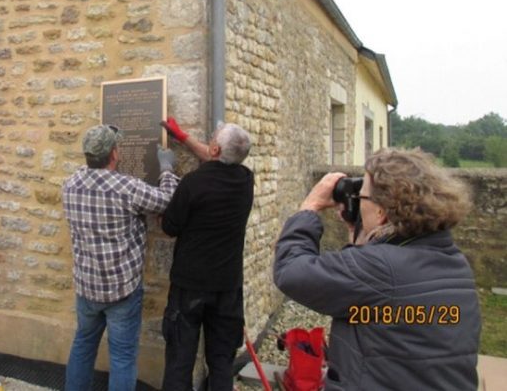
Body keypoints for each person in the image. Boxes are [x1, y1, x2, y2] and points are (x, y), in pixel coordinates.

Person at [274, 148, 481, 390]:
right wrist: (363, 241)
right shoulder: (454, 261)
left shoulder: (379, 268)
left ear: (381, 211)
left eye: (362, 197)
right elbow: (386, 313)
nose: (357, 204)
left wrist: (309, 207)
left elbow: (290, 271)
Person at [63, 124, 180, 391]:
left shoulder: (70, 184)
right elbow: (168, 200)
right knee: (123, 356)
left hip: (87, 288)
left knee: (82, 345)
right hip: (121, 291)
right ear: (114, 154)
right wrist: (166, 168)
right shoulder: (126, 187)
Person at [159, 117, 254, 391]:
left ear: (215, 150)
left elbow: (170, 227)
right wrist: (184, 137)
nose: (210, 143)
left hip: (190, 286)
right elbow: (219, 157)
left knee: (180, 360)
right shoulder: (246, 179)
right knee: (222, 361)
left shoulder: (192, 183)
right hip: (227, 287)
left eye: (213, 139)